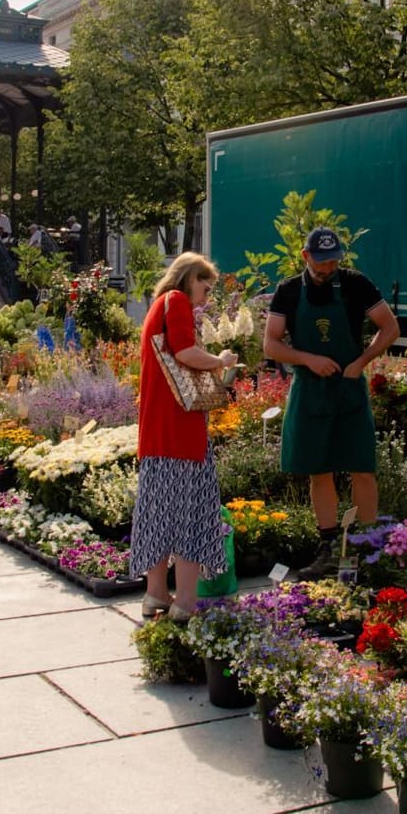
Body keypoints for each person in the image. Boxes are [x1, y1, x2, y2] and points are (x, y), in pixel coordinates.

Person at [263, 226, 399, 579]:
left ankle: (368, 548)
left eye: (333, 261)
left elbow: (390, 328)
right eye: (321, 262)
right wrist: (307, 359)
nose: (328, 268)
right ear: (306, 256)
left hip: (349, 388)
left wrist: (360, 362)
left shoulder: (356, 284)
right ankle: (329, 548)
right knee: (319, 470)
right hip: (310, 390)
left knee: (361, 467)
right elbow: (271, 344)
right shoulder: (288, 291)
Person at [129, 252, 239, 622]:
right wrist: (221, 361)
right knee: (192, 514)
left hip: (156, 432)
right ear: (190, 277)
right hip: (181, 431)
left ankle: (156, 593)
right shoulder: (176, 301)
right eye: (204, 288)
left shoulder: (156, 306)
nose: (205, 298)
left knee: (158, 515)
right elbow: (186, 352)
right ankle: (187, 601)